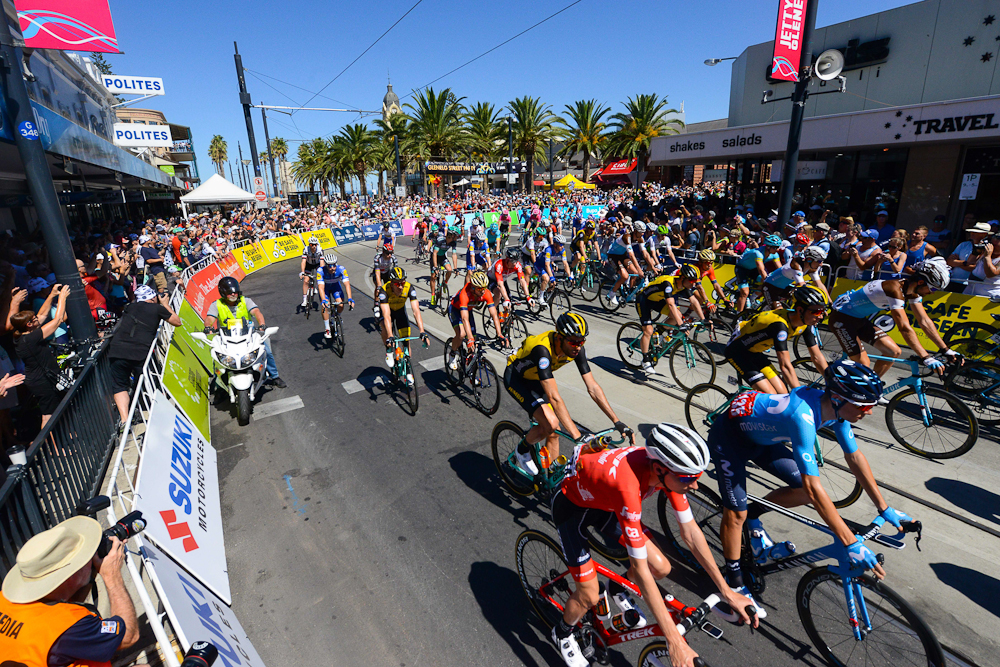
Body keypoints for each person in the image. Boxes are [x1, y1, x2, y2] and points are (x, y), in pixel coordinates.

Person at [708, 360, 911, 618]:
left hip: (763, 437)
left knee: (801, 493)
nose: (870, 412)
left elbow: (855, 457)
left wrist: (884, 507)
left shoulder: (836, 412)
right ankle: (734, 580)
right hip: (730, 438)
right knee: (736, 513)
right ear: (838, 398)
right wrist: (850, 542)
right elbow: (815, 488)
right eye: (865, 405)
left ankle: (754, 516)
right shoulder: (802, 415)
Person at [550, 424, 757, 667]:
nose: (695, 486)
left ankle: (616, 587)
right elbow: (639, 568)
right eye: (689, 479)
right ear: (658, 469)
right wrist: (675, 642)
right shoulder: (628, 486)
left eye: (697, 477)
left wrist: (727, 591)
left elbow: (690, 533)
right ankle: (562, 632)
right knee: (589, 595)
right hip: (572, 510)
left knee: (661, 568)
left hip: (604, 503)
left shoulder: (667, 471)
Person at [0, 516, 148, 667]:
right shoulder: (71, 625)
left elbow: (60, 599)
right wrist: (112, 576)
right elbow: (128, 635)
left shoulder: (4, 600)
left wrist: (89, 574)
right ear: (69, 575)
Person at [504, 312, 633, 474]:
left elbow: (592, 387)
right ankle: (522, 450)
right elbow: (554, 398)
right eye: (573, 342)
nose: (578, 346)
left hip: (537, 379)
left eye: (582, 341)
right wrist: (577, 437)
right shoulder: (542, 350)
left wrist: (617, 421)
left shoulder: (576, 350)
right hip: (517, 379)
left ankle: (550, 479)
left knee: (554, 432)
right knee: (550, 423)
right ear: (559, 338)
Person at [829, 258, 957, 378]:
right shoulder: (894, 290)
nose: (933, 292)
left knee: (893, 352)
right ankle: (842, 390)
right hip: (841, 319)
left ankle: (869, 387)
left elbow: (924, 321)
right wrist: (925, 357)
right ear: (921, 282)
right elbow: (904, 328)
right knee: (864, 364)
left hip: (858, 319)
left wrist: (945, 349)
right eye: (933, 288)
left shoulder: (912, 292)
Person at [725, 285, 831, 394]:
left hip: (755, 353)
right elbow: (785, 365)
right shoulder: (780, 326)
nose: (821, 316)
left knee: (783, 395)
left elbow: (817, 356)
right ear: (800, 310)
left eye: (823, 312)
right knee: (772, 396)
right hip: (737, 352)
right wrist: (800, 394)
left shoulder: (806, 324)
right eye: (817, 312)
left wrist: (832, 383)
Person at [107, 285, 181, 422]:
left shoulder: (129, 307)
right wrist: (165, 304)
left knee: (119, 386)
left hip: (117, 350)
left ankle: (125, 420)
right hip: (139, 352)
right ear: (153, 297)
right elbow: (177, 322)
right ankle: (159, 413)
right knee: (152, 381)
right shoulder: (157, 308)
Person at [205, 277, 286, 388]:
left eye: (235, 292)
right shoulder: (216, 304)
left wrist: (262, 325)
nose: (233, 295)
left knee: (266, 351)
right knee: (218, 357)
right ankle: (219, 386)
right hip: (227, 338)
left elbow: (256, 312)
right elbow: (210, 318)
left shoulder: (245, 300)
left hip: (249, 334)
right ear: (223, 293)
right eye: (230, 293)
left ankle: (275, 376)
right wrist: (208, 327)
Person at [12, 285, 70, 429]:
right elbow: (57, 320)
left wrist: (52, 295)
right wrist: (62, 298)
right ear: (29, 324)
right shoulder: (30, 339)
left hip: (42, 377)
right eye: (34, 319)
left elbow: (43, 315)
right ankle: (52, 446)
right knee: (48, 414)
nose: (38, 318)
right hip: (41, 380)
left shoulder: (23, 334)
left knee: (54, 409)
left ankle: (63, 438)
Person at [634, 264, 703, 375]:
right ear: (682, 278)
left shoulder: (685, 286)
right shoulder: (668, 283)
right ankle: (645, 359)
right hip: (644, 300)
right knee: (648, 331)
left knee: (678, 316)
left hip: (657, 300)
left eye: (695, 281)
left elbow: (694, 302)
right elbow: (671, 304)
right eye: (692, 281)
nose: (694, 283)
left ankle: (659, 331)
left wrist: (703, 319)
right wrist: (681, 325)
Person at [376, 267, 429, 382]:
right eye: (397, 284)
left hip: (400, 311)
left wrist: (422, 331)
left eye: (402, 283)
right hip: (387, 311)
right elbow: (386, 315)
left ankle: (408, 368)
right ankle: (389, 350)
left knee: (406, 340)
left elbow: (416, 311)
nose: (400, 286)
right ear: (391, 283)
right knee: (385, 328)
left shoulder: (409, 288)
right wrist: (390, 336)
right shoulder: (384, 291)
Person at [446, 270, 505, 370]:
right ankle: (452, 353)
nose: (483, 291)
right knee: (462, 334)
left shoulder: (485, 293)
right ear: (473, 288)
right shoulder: (465, 293)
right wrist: (469, 339)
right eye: (480, 289)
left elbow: (494, 315)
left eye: (484, 288)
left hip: (468, 310)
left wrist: (499, 334)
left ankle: (471, 370)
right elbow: (464, 319)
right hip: (455, 310)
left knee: (474, 342)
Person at [318, 253, 354, 339]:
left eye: (334, 265)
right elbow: (321, 287)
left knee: (341, 304)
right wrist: (323, 300)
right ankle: (327, 328)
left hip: (335, 287)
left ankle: (337, 316)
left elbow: (347, 284)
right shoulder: (320, 270)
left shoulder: (341, 269)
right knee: (325, 306)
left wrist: (350, 298)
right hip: (325, 288)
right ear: (326, 265)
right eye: (329, 266)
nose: (332, 268)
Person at [948, 221, 992, 286]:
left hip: (969, 285)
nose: (972, 233)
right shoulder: (963, 245)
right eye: (972, 231)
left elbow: (972, 267)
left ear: (984, 235)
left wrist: (957, 262)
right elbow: (949, 262)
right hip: (953, 280)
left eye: (976, 232)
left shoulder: (987, 248)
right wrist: (964, 263)